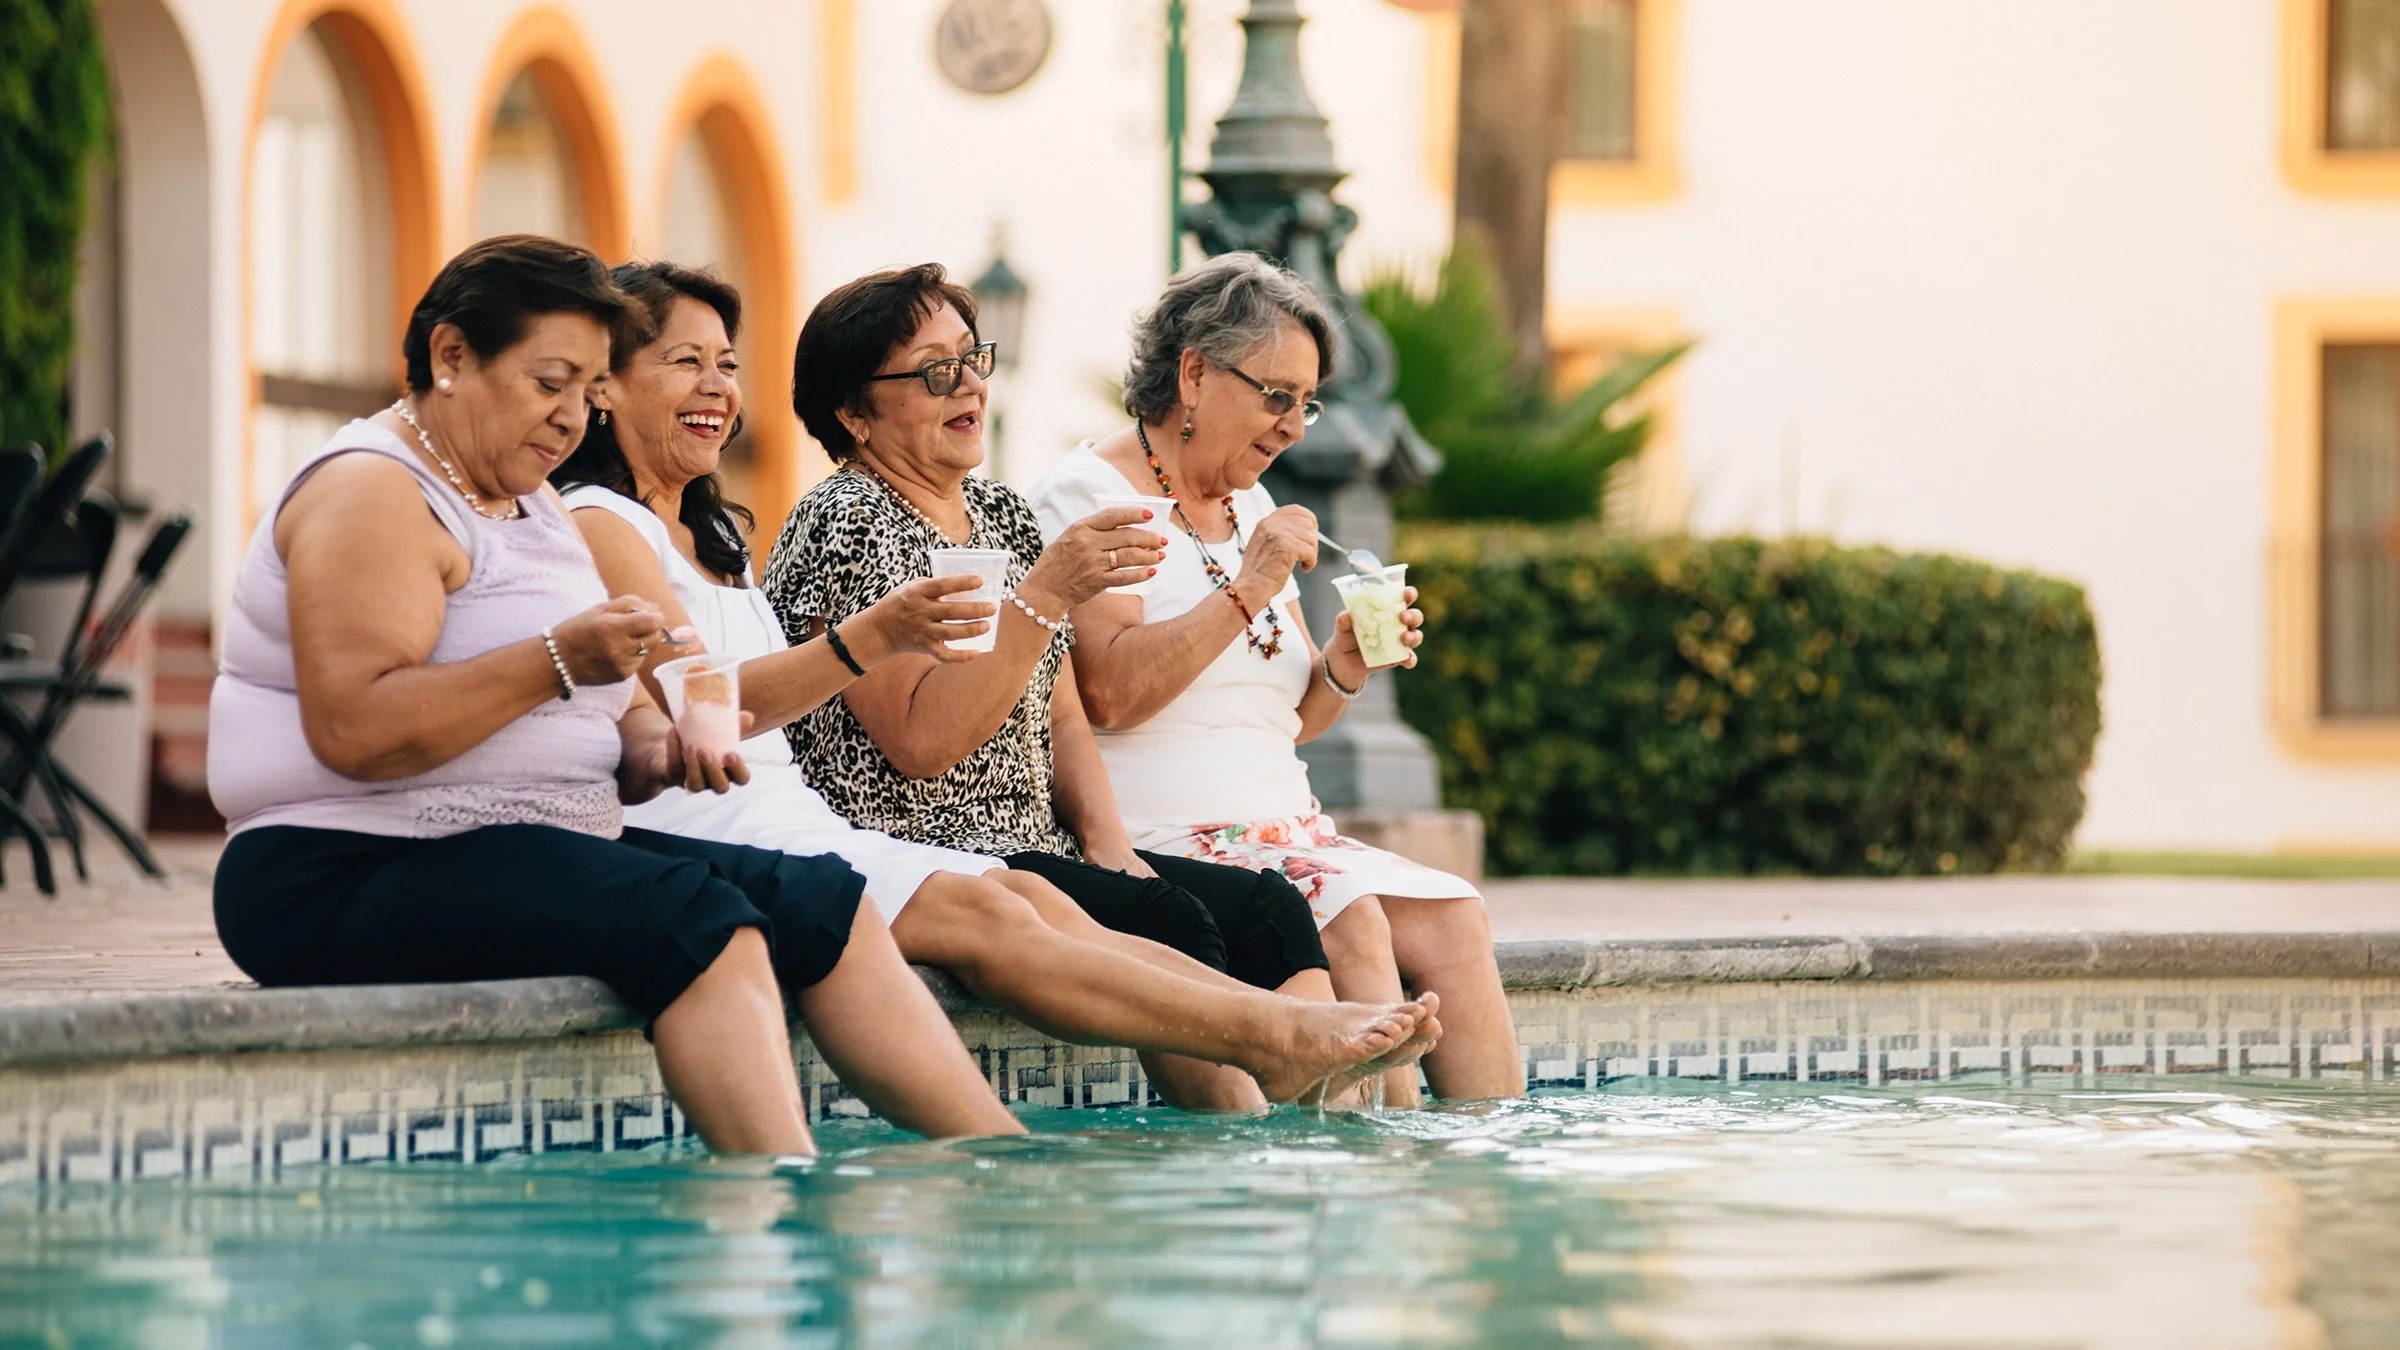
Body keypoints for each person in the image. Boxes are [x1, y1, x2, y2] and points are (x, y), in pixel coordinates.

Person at [206, 235, 1030, 1158]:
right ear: (450, 357)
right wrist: (558, 659)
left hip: (522, 846)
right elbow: (358, 728)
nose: (570, 416)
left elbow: (631, 724)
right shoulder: (375, 491)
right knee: (703, 926)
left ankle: (995, 1163)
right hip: (342, 865)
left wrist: (660, 748)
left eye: (586, 387)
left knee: (822, 900)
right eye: (549, 381)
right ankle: (767, 1224)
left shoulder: (533, 506)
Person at [553, 259, 1432, 1109]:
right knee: (1156, 918)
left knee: (1250, 907)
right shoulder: (841, 519)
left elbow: (1064, 707)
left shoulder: (962, 516)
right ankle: (1260, 1081)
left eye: (974, 362)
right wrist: (1030, 601)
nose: (969, 388)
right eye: (936, 374)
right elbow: (918, 744)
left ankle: (1306, 1101)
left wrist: (1106, 835)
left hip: (984, 835)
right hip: (916, 824)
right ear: (856, 414)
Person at [1027, 252, 1523, 1107]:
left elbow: (1287, 723)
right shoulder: (1088, 494)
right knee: (1355, 920)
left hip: (1281, 827)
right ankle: (1375, 1183)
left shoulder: (1248, 505)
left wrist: (1340, 667)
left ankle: (1484, 1174)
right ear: (1193, 373)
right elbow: (1109, 693)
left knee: (1455, 919)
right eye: (1277, 396)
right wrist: (1249, 585)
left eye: (1307, 401)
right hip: (1164, 833)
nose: (1296, 425)